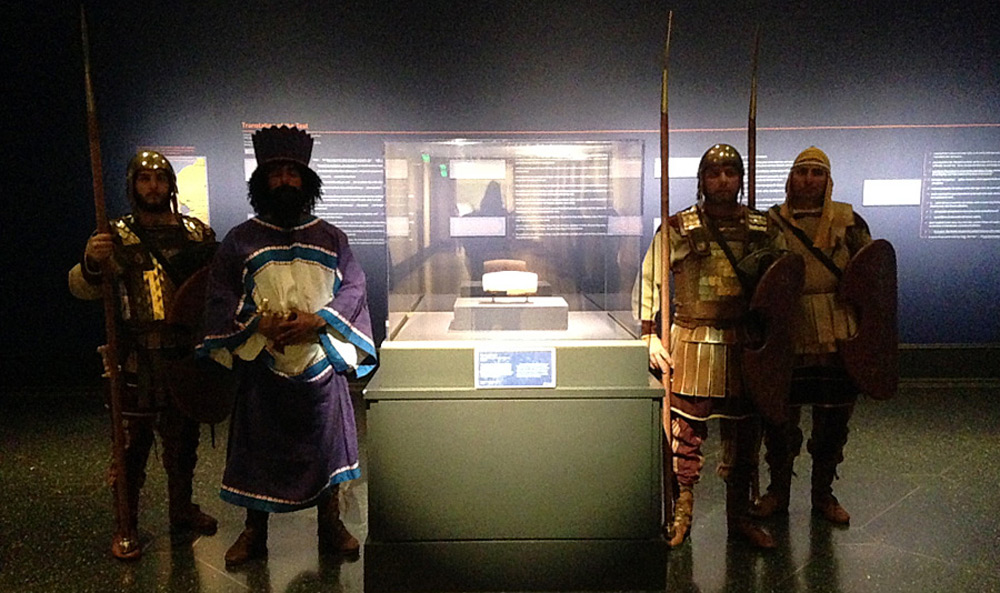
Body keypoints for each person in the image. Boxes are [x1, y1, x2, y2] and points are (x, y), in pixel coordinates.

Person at [197, 126, 377, 569]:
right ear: (262, 181)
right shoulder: (240, 239)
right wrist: (260, 322)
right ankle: (254, 531)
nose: (284, 180)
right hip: (264, 360)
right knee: (258, 450)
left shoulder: (332, 238)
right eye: (275, 173)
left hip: (318, 360)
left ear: (306, 180)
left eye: (292, 173)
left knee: (325, 449)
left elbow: (354, 288)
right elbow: (220, 294)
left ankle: (330, 523)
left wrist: (318, 320)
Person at [68, 150, 219, 560]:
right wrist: (92, 261)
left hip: (183, 353)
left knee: (182, 441)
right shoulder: (113, 236)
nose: (153, 186)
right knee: (131, 448)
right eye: (144, 179)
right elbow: (82, 287)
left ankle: (181, 508)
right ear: (133, 185)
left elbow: (214, 290)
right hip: (134, 355)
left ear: (171, 184)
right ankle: (126, 523)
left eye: (160, 178)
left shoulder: (197, 234)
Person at [635, 143, 782, 549]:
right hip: (692, 340)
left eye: (730, 173)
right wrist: (648, 332)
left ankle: (739, 517)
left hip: (744, 344)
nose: (722, 181)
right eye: (714, 173)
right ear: (702, 180)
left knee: (744, 437)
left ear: (741, 179)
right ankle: (682, 512)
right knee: (685, 437)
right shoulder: (680, 228)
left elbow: (783, 284)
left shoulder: (763, 229)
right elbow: (650, 278)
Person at [753, 146, 873, 525]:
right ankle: (778, 492)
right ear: (791, 177)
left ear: (828, 180)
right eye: (802, 172)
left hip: (836, 327)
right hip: (788, 327)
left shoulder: (850, 221)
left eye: (816, 173)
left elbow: (870, 274)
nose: (809, 180)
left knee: (833, 419)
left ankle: (823, 495)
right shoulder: (770, 223)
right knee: (779, 418)